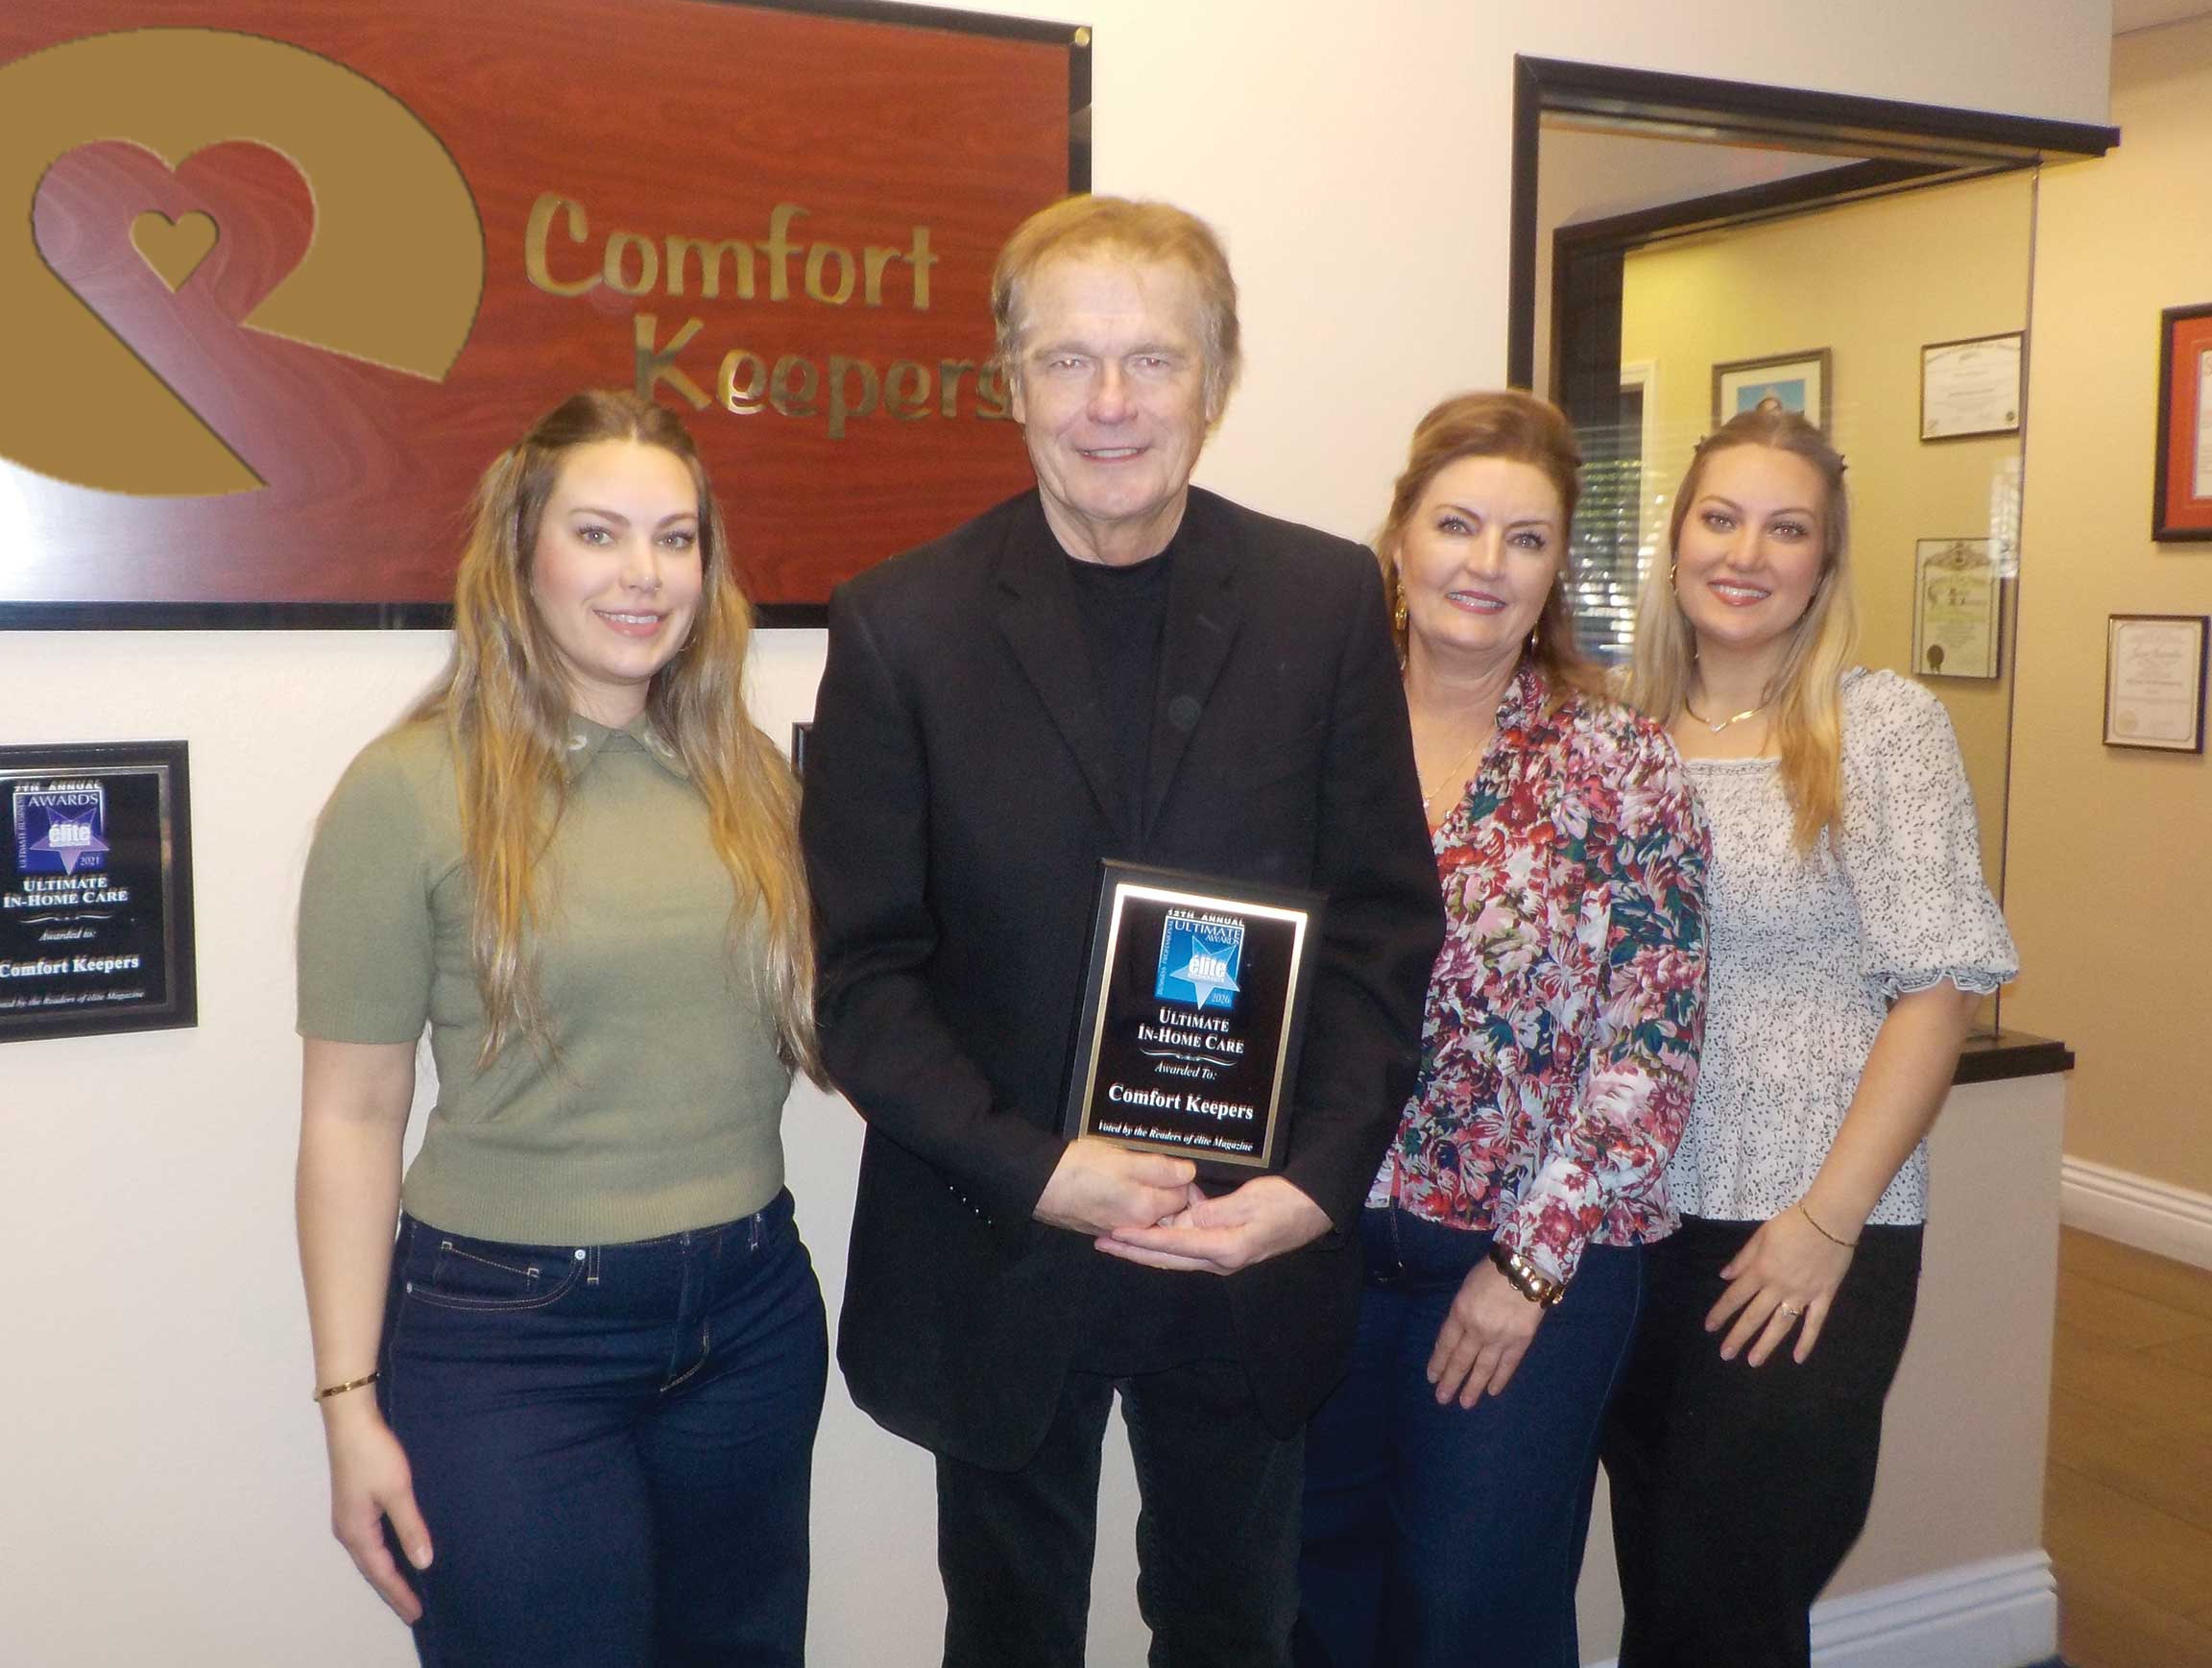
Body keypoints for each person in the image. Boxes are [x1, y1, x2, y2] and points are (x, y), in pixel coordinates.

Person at [799, 195, 1446, 1668]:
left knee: (1236, 1631)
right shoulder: (901, 624)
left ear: (1215, 381)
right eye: (1068, 360)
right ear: (1011, 381)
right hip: (1003, 1241)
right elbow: (863, 979)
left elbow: (1381, 931)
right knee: (1008, 1635)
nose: (1110, 403)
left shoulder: (1324, 601)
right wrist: (1043, 1171)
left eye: (1152, 360)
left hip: (1246, 1242)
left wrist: (1316, 1185)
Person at [294, 390, 827, 1667]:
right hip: (510, 1343)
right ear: (520, 553)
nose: (646, 574)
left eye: (676, 538)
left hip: (751, 1314)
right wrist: (348, 1404)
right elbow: (351, 1116)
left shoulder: (748, 776)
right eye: (599, 534)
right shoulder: (406, 789)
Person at [1292, 392, 1709, 1668]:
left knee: (1473, 1612)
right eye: (1457, 525)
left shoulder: (1621, 765)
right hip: (1312, 1248)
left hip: (1532, 1264)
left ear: (1556, 569)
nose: (1486, 564)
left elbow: (1649, 1051)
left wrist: (1527, 1268)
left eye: (1526, 539)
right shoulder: (1306, 739)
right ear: (1400, 539)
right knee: (1313, 1602)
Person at [1601, 406, 2019, 1667]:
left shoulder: (1880, 727)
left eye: (1787, 530)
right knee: (1662, 1586)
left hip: (1805, 1227)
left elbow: (1938, 992)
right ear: (1676, 540)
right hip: (1629, 1228)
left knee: (1725, 1599)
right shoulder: (1612, 730)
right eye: (1721, 519)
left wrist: (1824, 1224)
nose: (1747, 554)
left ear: (1825, 562)